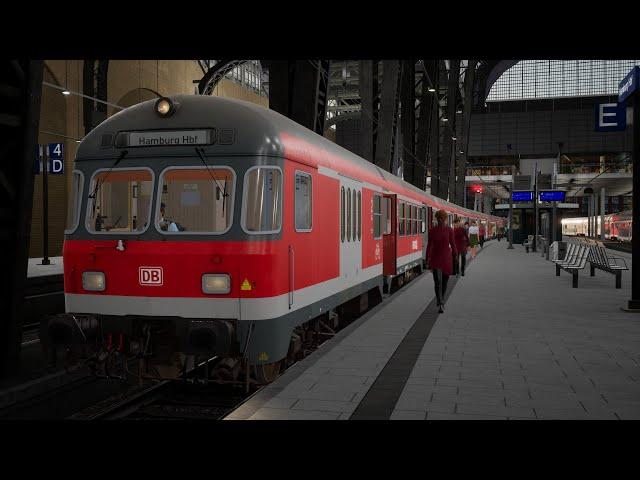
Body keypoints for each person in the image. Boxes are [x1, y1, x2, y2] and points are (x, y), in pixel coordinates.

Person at [426, 209, 457, 313]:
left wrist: (455, 257)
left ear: (443, 219)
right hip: (441, 259)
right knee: (440, 282)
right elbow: (430, 246)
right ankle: (441, 302)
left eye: (441, 218)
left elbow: (452, 244)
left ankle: (441, 300)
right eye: (439, 218)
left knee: (441, 282)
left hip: (442, 259)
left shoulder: (446, 230)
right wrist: (427, 259)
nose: (440, 220)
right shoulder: (443, 230)